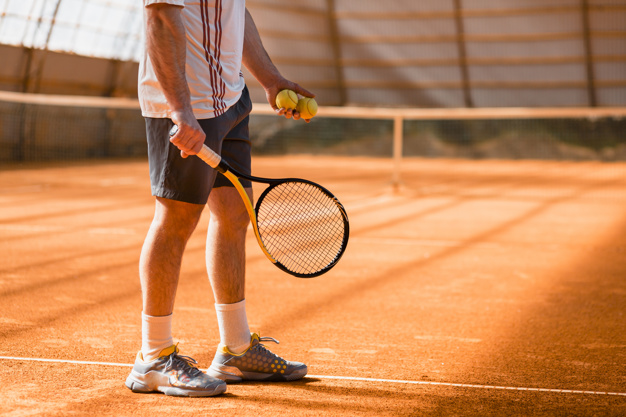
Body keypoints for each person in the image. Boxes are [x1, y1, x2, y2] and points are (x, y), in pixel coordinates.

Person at [125, 0, 314, 397]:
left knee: (233, 215)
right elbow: (159, 17)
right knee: (175, 219)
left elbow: (236, 15)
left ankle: (236, 349)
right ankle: (153, 356)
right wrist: (180, 109)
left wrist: (271, 79)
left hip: (231, 100)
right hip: (186, 109)